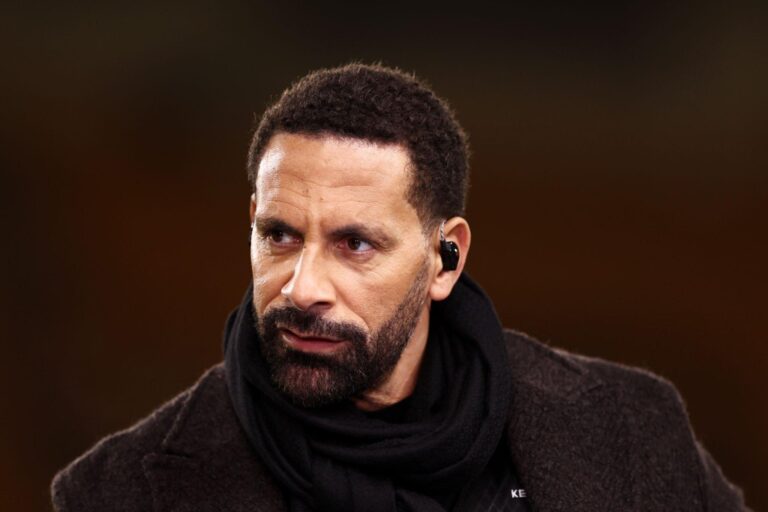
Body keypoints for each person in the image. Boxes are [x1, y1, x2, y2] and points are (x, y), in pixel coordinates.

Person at [51, 63, 749, 512]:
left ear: (445, 259)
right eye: (280, 235)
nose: (303, 287)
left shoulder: (632, 427)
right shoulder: (119, 491)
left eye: (355, 244)